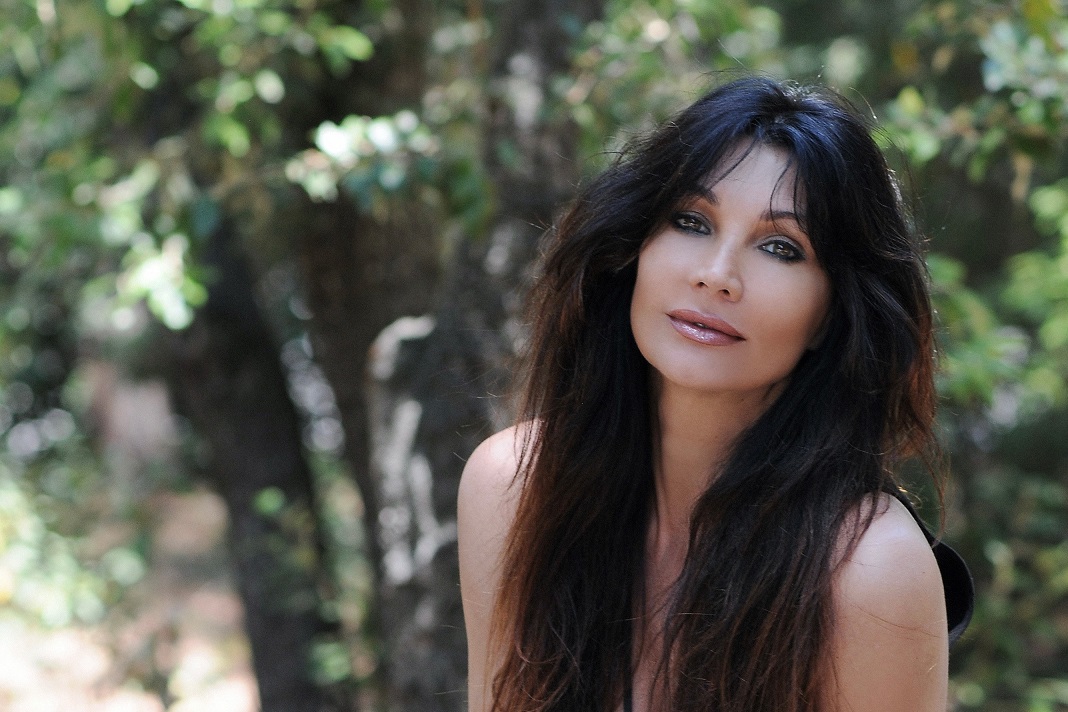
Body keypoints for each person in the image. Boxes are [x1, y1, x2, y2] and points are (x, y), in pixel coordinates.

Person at [458, 76, 972, 712]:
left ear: (832, 315)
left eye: (781, 248)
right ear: (633, 250)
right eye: (691, 221)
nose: (717, 274)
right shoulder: (513, 487)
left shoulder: (870, 569)